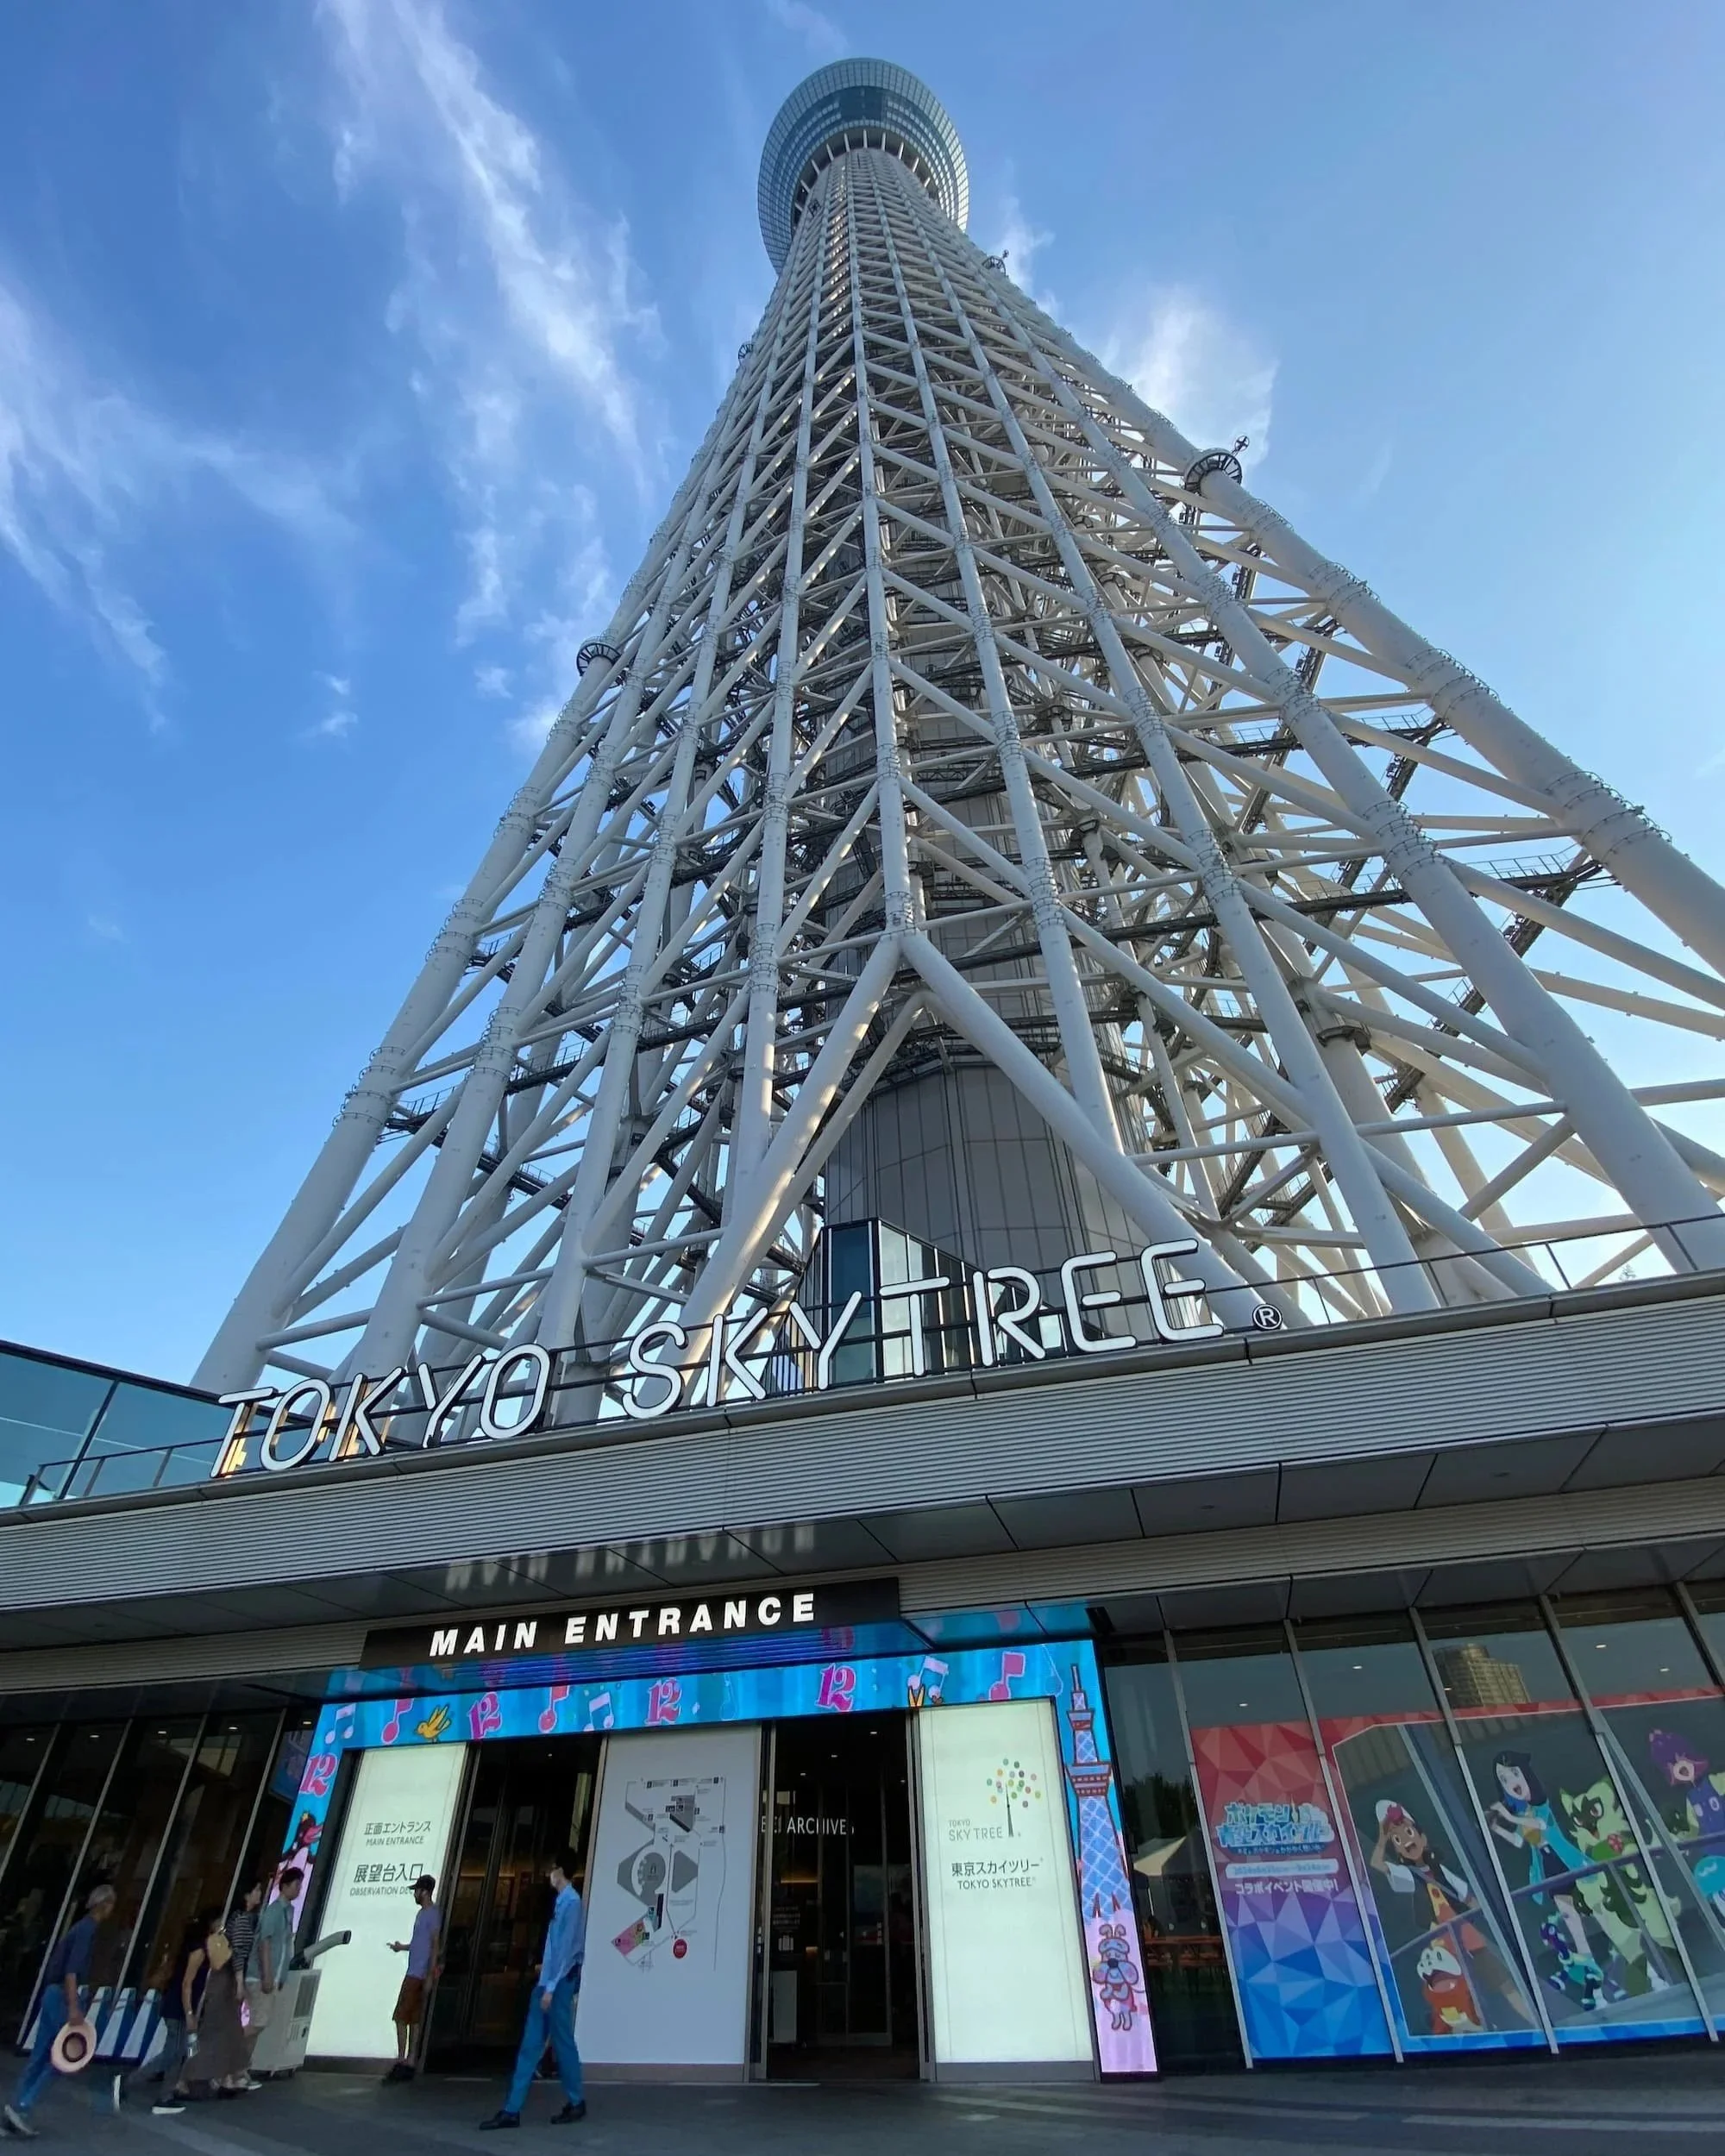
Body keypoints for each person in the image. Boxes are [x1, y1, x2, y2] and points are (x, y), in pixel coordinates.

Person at [479, 1849, 586, 2131]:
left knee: (562, 2045)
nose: (549, 1873)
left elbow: (566, 1951)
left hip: (558, 1986)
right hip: (548, 1984)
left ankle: (576, 2102)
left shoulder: (572, 1903)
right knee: (530, 2046)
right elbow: (556, 1950)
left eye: (552, 1867)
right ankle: (511, 2110)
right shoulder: (563, 1902)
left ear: (560, 1869)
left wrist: (550, 1987)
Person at [4, 1882, 116, 2140]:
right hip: (65, 1997)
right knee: (63, 2057)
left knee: (41, 2054)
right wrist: (75, 2007)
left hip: (51, 1993)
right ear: (105, 1904)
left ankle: (16, 2107)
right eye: (111, 1904)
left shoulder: (79, 1928)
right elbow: (72, 1970)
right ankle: (23, 2106)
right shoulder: (88, 1930)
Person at [112, 1913, 208, 2116]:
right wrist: (190, 2012)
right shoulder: (199, 1951)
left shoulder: (185, 1949)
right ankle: (130, 2081)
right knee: (173, 2052)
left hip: (173, 2004)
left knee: (177, 2051)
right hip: (180, 2007)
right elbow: (187, 1984)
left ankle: (166, 2096)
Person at [243, 1868, 302, 2074]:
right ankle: (226, 2057)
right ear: (284, 1886)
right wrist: (268, 1975)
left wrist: (280, 1975)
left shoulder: (288, 1911)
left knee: (260, 2024)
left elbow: (284, 1945)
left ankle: (241, 2070)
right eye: (296, 1885)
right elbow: (264, 1943)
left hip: (273, 1976)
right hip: (260, 1977)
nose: (299, 1889)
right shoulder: (275, 1910)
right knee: (259, 2023)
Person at [185, 1913, 248, 2098]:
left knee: (208, 2036)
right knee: (200, 2037)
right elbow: (217, 1963)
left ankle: (211, 2076)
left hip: (209, 1994)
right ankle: (186, 2076)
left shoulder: (212, 1942)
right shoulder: (212, 1942)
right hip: (207, 1995)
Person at [386, 1874, 442, 2083]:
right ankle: (410, 2059)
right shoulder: (423, 1914)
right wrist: (402, 1948)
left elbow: (435, 1944)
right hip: (418, 1972)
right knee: (414, 2019)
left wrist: (430, 1974)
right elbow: (422, 1943)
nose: (415, 1894)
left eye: (417, 1890)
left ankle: (403, 2059)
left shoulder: (431, 1914)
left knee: (401, 2017)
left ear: (424, 1891)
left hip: (416, 1974)